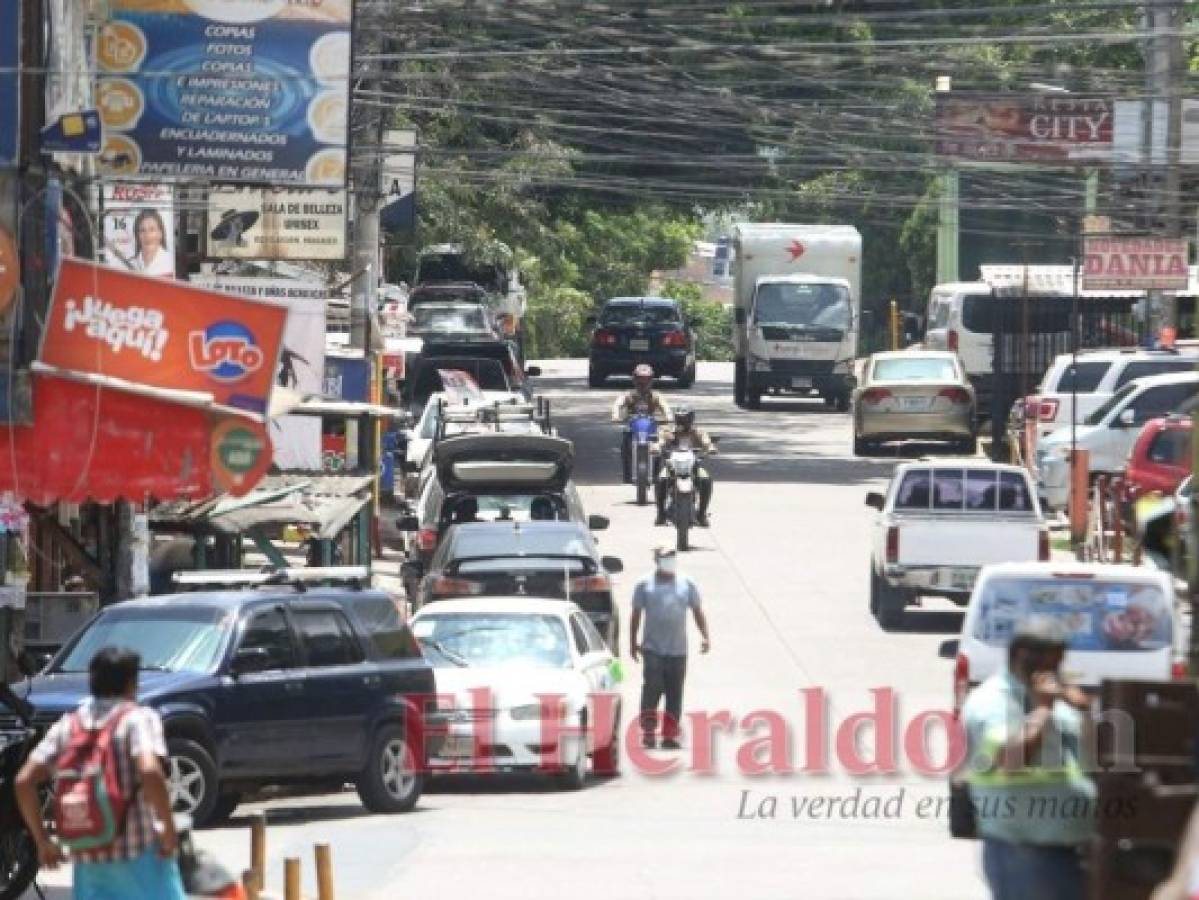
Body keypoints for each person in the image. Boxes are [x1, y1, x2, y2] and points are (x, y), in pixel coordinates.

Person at [16, 646, 185, 900]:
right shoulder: (138, 719)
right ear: (131, 683)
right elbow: (150, 772)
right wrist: (169, 830)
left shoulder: (69, 726)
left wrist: (42, 841)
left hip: (89, 857)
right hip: (139, 852)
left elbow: (24, 781)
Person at [960, 617, 1096, 900]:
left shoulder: (1047, 698)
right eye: (1052, 662)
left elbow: (1089, 758)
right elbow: (1010, 760)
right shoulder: (994, 702)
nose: (1057, 670)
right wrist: (1044, 710)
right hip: (1024, 851)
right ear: (1022, 656)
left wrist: (1083, 710)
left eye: (1060, 662)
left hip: (1066, 849)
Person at [629, 547, 710, 750]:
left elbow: (697, 611)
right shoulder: (644, 584)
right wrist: (632, 642)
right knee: (652, 689)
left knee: (675, 693)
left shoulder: (687, 583)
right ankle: (648, 732)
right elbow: (636, 614)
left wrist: (705, 636)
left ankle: (669, 736)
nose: (669, 560)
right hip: (652, 649)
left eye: (672, 556)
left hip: (678, 650)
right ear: (656, 559)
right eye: (665, 556)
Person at [654, 405, 716, 527]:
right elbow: (660, 441)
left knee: (706, 479)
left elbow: (706, 441)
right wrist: (656, 447)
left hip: (693, 465)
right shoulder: (668, 432)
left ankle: (701, 514)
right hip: (672, 465)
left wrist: (710, 448)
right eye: (680, 419)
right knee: (661, 479)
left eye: (686, 419)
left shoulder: (698, 432)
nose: (682, 422)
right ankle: (661, 513)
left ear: (691, 419)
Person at [610, 364, 673, 483]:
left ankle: (659, 472)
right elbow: (617, 404)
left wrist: (668, 416)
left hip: (650, 425)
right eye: (640, 379)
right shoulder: (628, 395)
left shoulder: (656, 396)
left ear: (651, 380)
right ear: (634, 380)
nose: (643, 383)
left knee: (663, 442)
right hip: (633, 425)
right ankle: (628, 474)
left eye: (646, 379)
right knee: (625, 443)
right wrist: (615, 415)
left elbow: (665, 407)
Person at [130, 209, 174, 278]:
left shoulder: (172, 263)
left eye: (152, 230)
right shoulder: (130, 265)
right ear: (137, 236)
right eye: (142, 230)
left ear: (160, 233)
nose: (147, 236)